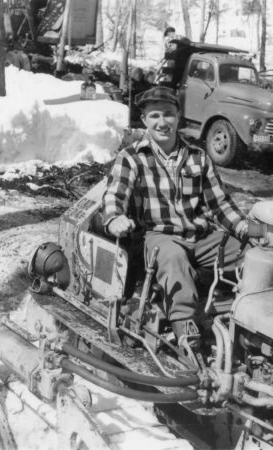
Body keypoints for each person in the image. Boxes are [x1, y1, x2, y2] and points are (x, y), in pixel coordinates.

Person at [102, 86, 249, 344]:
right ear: (145, 120)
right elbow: (116, 194)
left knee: (251, 256)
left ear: (178, 116)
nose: (162, 122)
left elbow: (220, 204)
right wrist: (114, 218)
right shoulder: (131, 158)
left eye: (168, 114)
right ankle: (185, 328)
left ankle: (250, 314)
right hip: (158, 237)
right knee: (173, 257)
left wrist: (245, 229)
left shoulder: (198, 157)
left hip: (201, 237)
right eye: (155, 116)